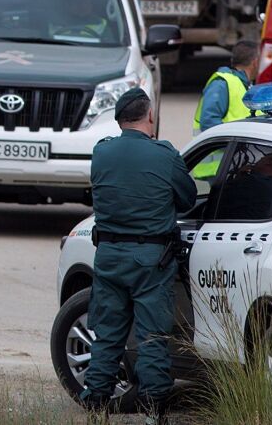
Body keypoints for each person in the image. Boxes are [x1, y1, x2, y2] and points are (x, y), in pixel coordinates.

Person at [79, 88, 195, 421]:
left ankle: (96, 407)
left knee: (108, 336)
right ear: (150, 117)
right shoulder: (164, 154)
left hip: (109, 255)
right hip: (150, 258)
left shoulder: (101, 153)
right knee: (152, 337)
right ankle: (152, 411)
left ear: (118, 120)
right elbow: (187, 200)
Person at [195, 40, 257, 132]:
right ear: (255, 62)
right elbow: (208, 123)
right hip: (225, 146)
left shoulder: (248, 85)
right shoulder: (221, 84)